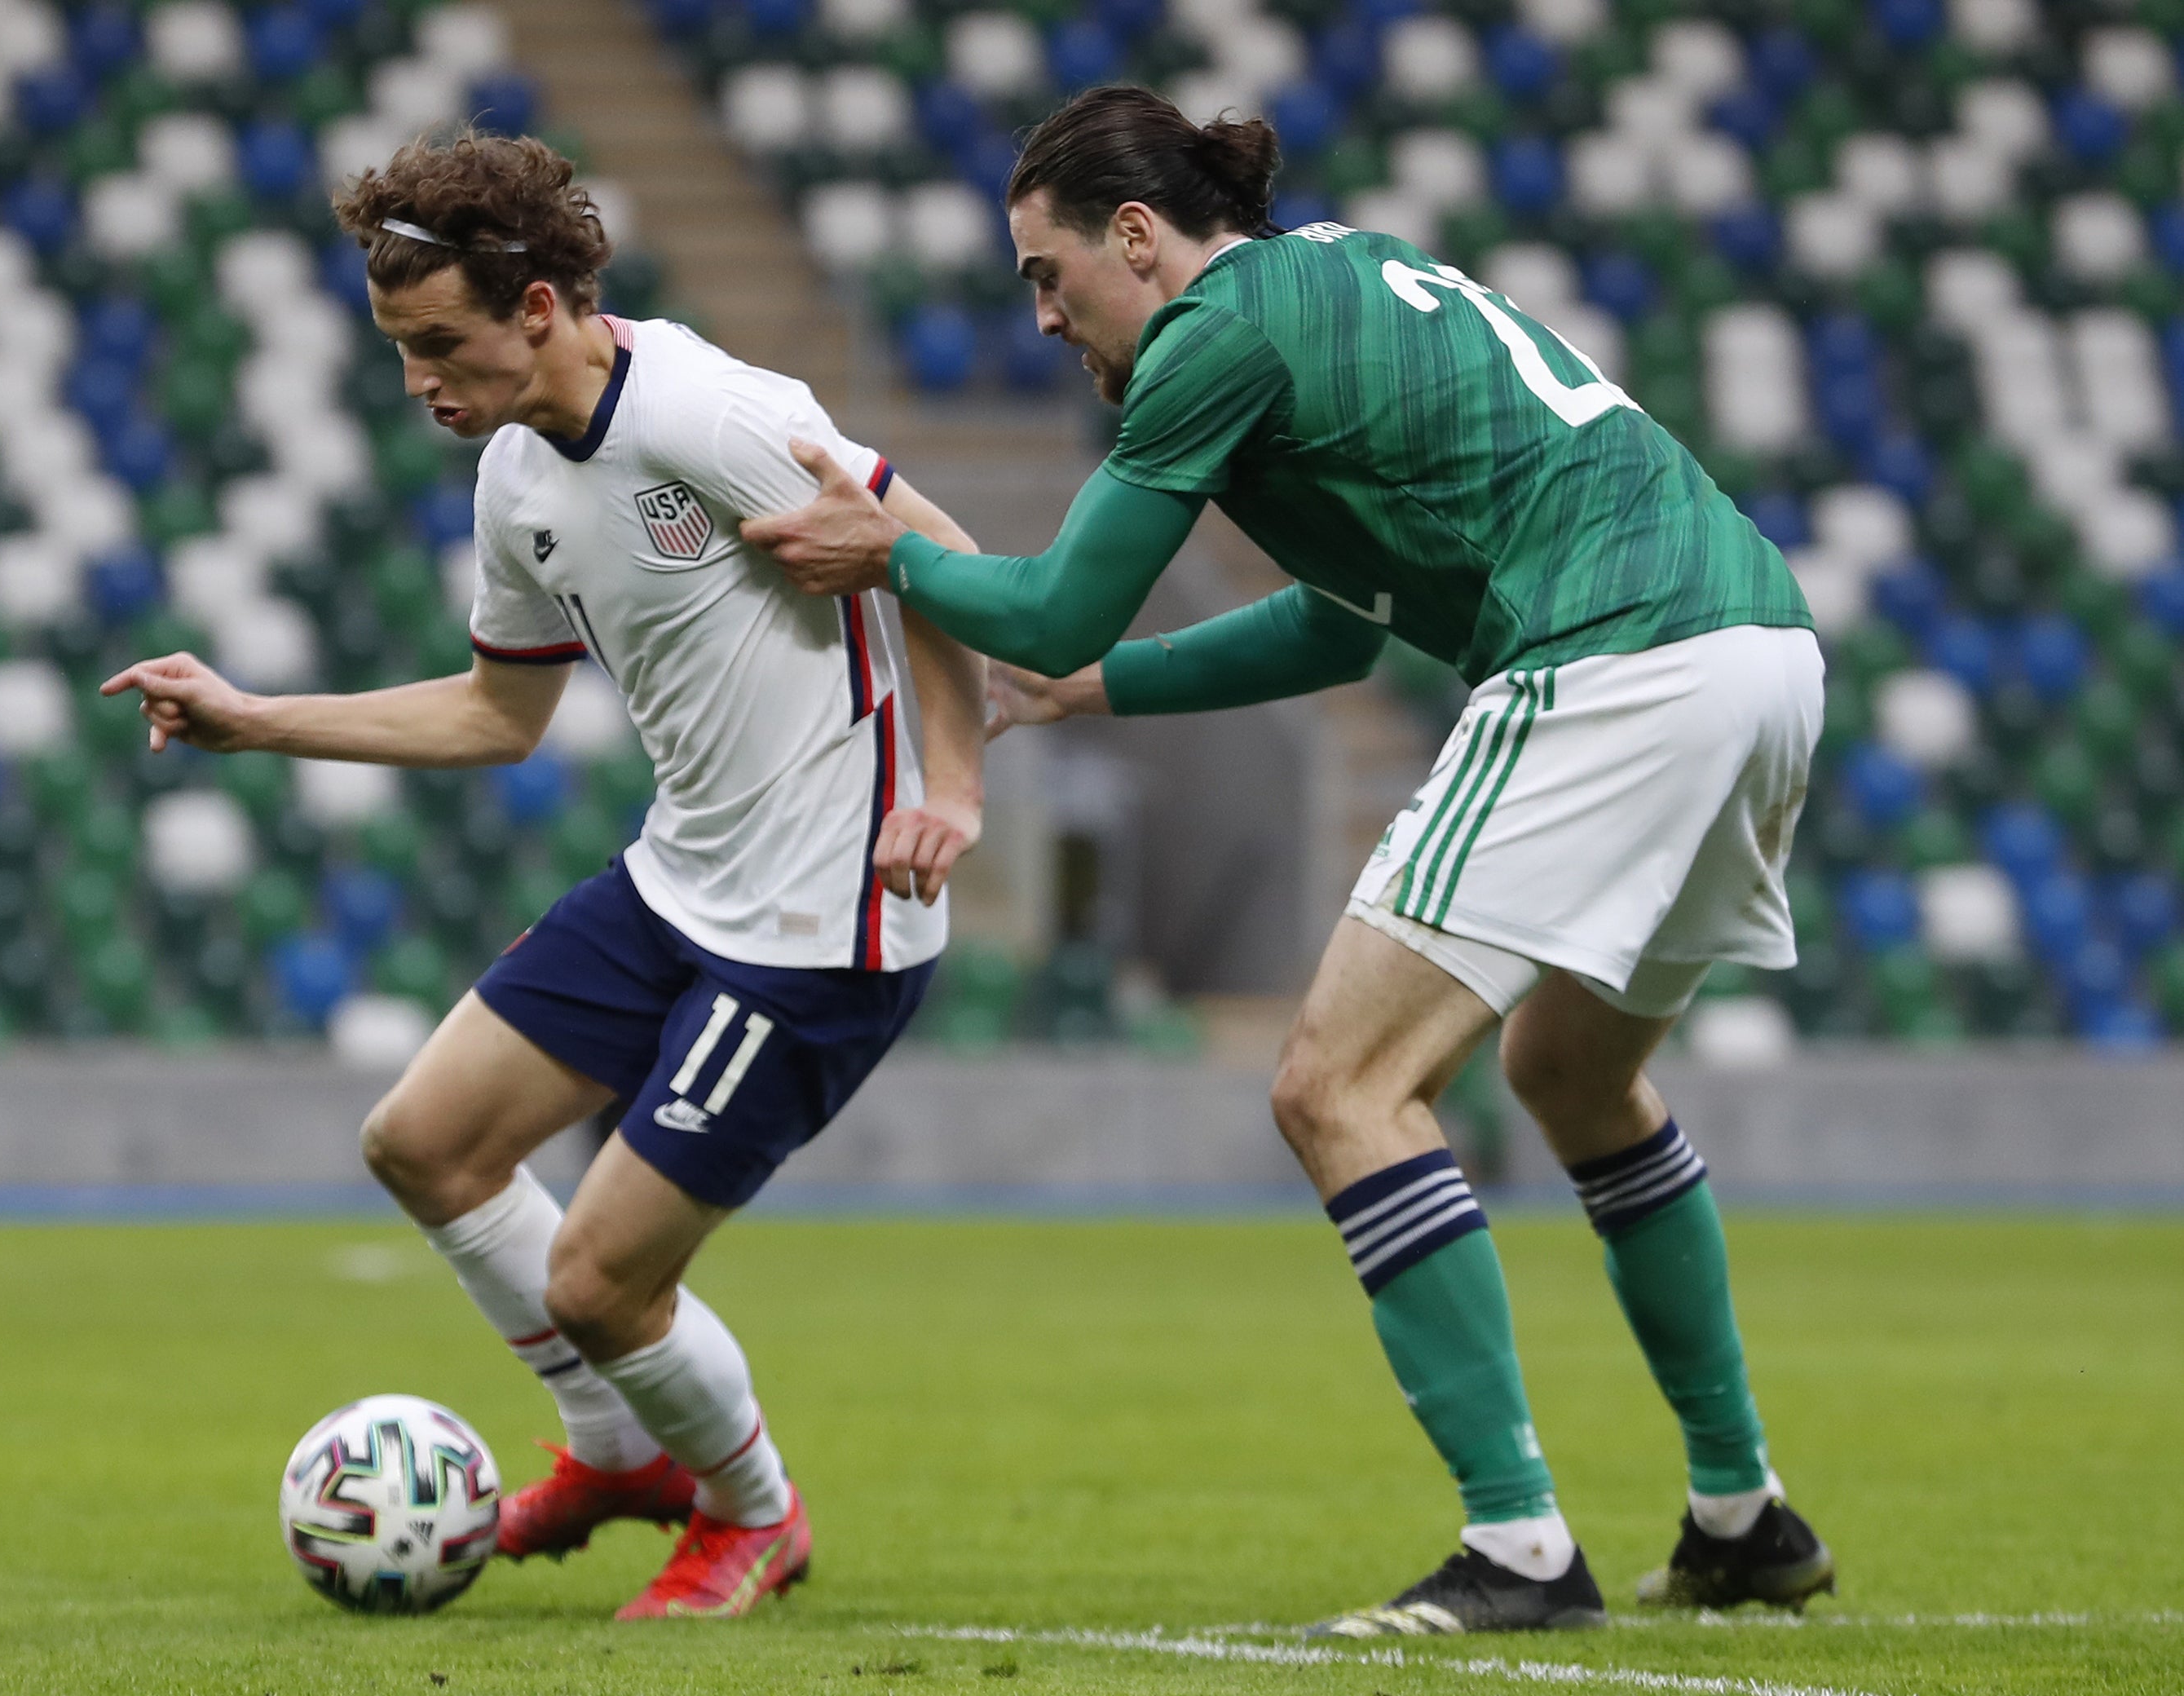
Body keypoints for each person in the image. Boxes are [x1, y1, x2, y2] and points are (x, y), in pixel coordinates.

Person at [742, 86, 1834, 1636]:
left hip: (1616, 660)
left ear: (1137, 235)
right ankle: (1741, 1515)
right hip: (1760, 648)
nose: (1044, 319)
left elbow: (1051, 603)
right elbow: (1339, 615)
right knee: (1577, 1080)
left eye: (1048, 276)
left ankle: (1518, 1545)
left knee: (1336, 1088)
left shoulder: (1213, 337)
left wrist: (896, 557)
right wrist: (1094, 688)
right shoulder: (1334, 286)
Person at [103, 132, 986, 1620]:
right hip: (681, 880)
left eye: (437, 343)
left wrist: (952, 786)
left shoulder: (715, 415)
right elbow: (497, 714)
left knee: (596, 1285)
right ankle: (617, 1450)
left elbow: (947, 560)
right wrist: (259, 719)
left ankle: (752, 1517)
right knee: (423, 1142)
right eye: (397, 351)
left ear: (535, 308)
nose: (418, 384)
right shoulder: (518, 473)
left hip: (821, 920)